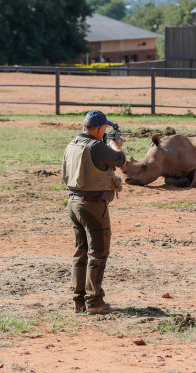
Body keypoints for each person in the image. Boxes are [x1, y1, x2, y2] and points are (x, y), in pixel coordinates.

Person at [61, 110, 126, 314]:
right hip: (93, 205)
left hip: (74, 202)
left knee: (81, 252)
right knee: (98, 253)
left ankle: (79, 300)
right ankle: (95, 301)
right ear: (99, 129)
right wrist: (115, 146)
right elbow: (120, 160)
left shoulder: (72, 144)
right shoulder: (97, 146)